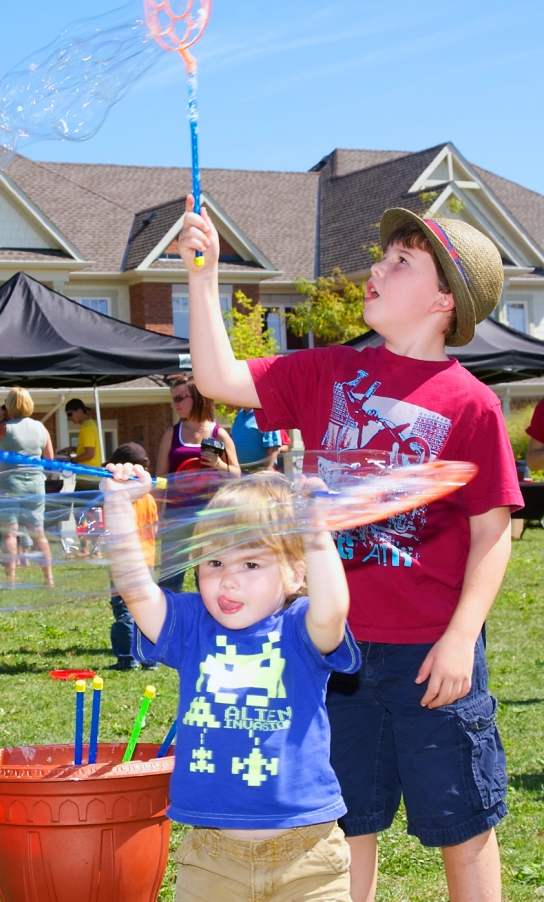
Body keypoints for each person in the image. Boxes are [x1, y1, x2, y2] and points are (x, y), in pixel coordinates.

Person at [180, 195, 521, 902]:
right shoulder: (327, 372)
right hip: (331, 648)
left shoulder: (470, 404)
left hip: (432, 654)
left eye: (400, 261)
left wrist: (460, 639)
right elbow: (217, 380)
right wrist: (204, 279)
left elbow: (492, 533)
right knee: (344, 822)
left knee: (461, 822)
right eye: (382, 255)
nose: (375, 267)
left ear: (440, 302)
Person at [102, 466, 359, 901]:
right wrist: (119, 506)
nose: (228, 579)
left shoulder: (300, 629)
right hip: (212, 858)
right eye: (214, 561)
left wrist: (315, 530)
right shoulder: (190, 625)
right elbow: (136, 589)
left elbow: (333, 611)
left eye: (251, 562)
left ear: (296, 575)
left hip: (308, 857)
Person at [155, 376, 240, 592]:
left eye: (181, 397)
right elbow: (161, 478)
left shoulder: (218, 433)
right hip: (176, 515)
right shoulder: (171, 433)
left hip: (210, 516)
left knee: (208, 577)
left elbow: (237, 475)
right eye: (174, 398)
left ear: (199, 398)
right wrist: (157, 515)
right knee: (169, 578)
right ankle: (170, 623)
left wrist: (219, 464)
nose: (176, 403)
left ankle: (209, 622)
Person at [0, 388, 54, 585]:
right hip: (36, 485)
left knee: (9, 534)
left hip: (9, 483)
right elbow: (50, 459)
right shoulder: (41, 428)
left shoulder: (5, 428)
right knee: (38, 533)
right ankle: (49, 579)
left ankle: (11, 580)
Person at [105, 442, 159, 670]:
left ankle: (128, 658)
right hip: (147, 560)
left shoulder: (122, 497)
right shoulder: (148, 497)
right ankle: (151, 659)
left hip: (125, 562)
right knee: (146, 611)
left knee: (124, 610)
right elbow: (154, 528)